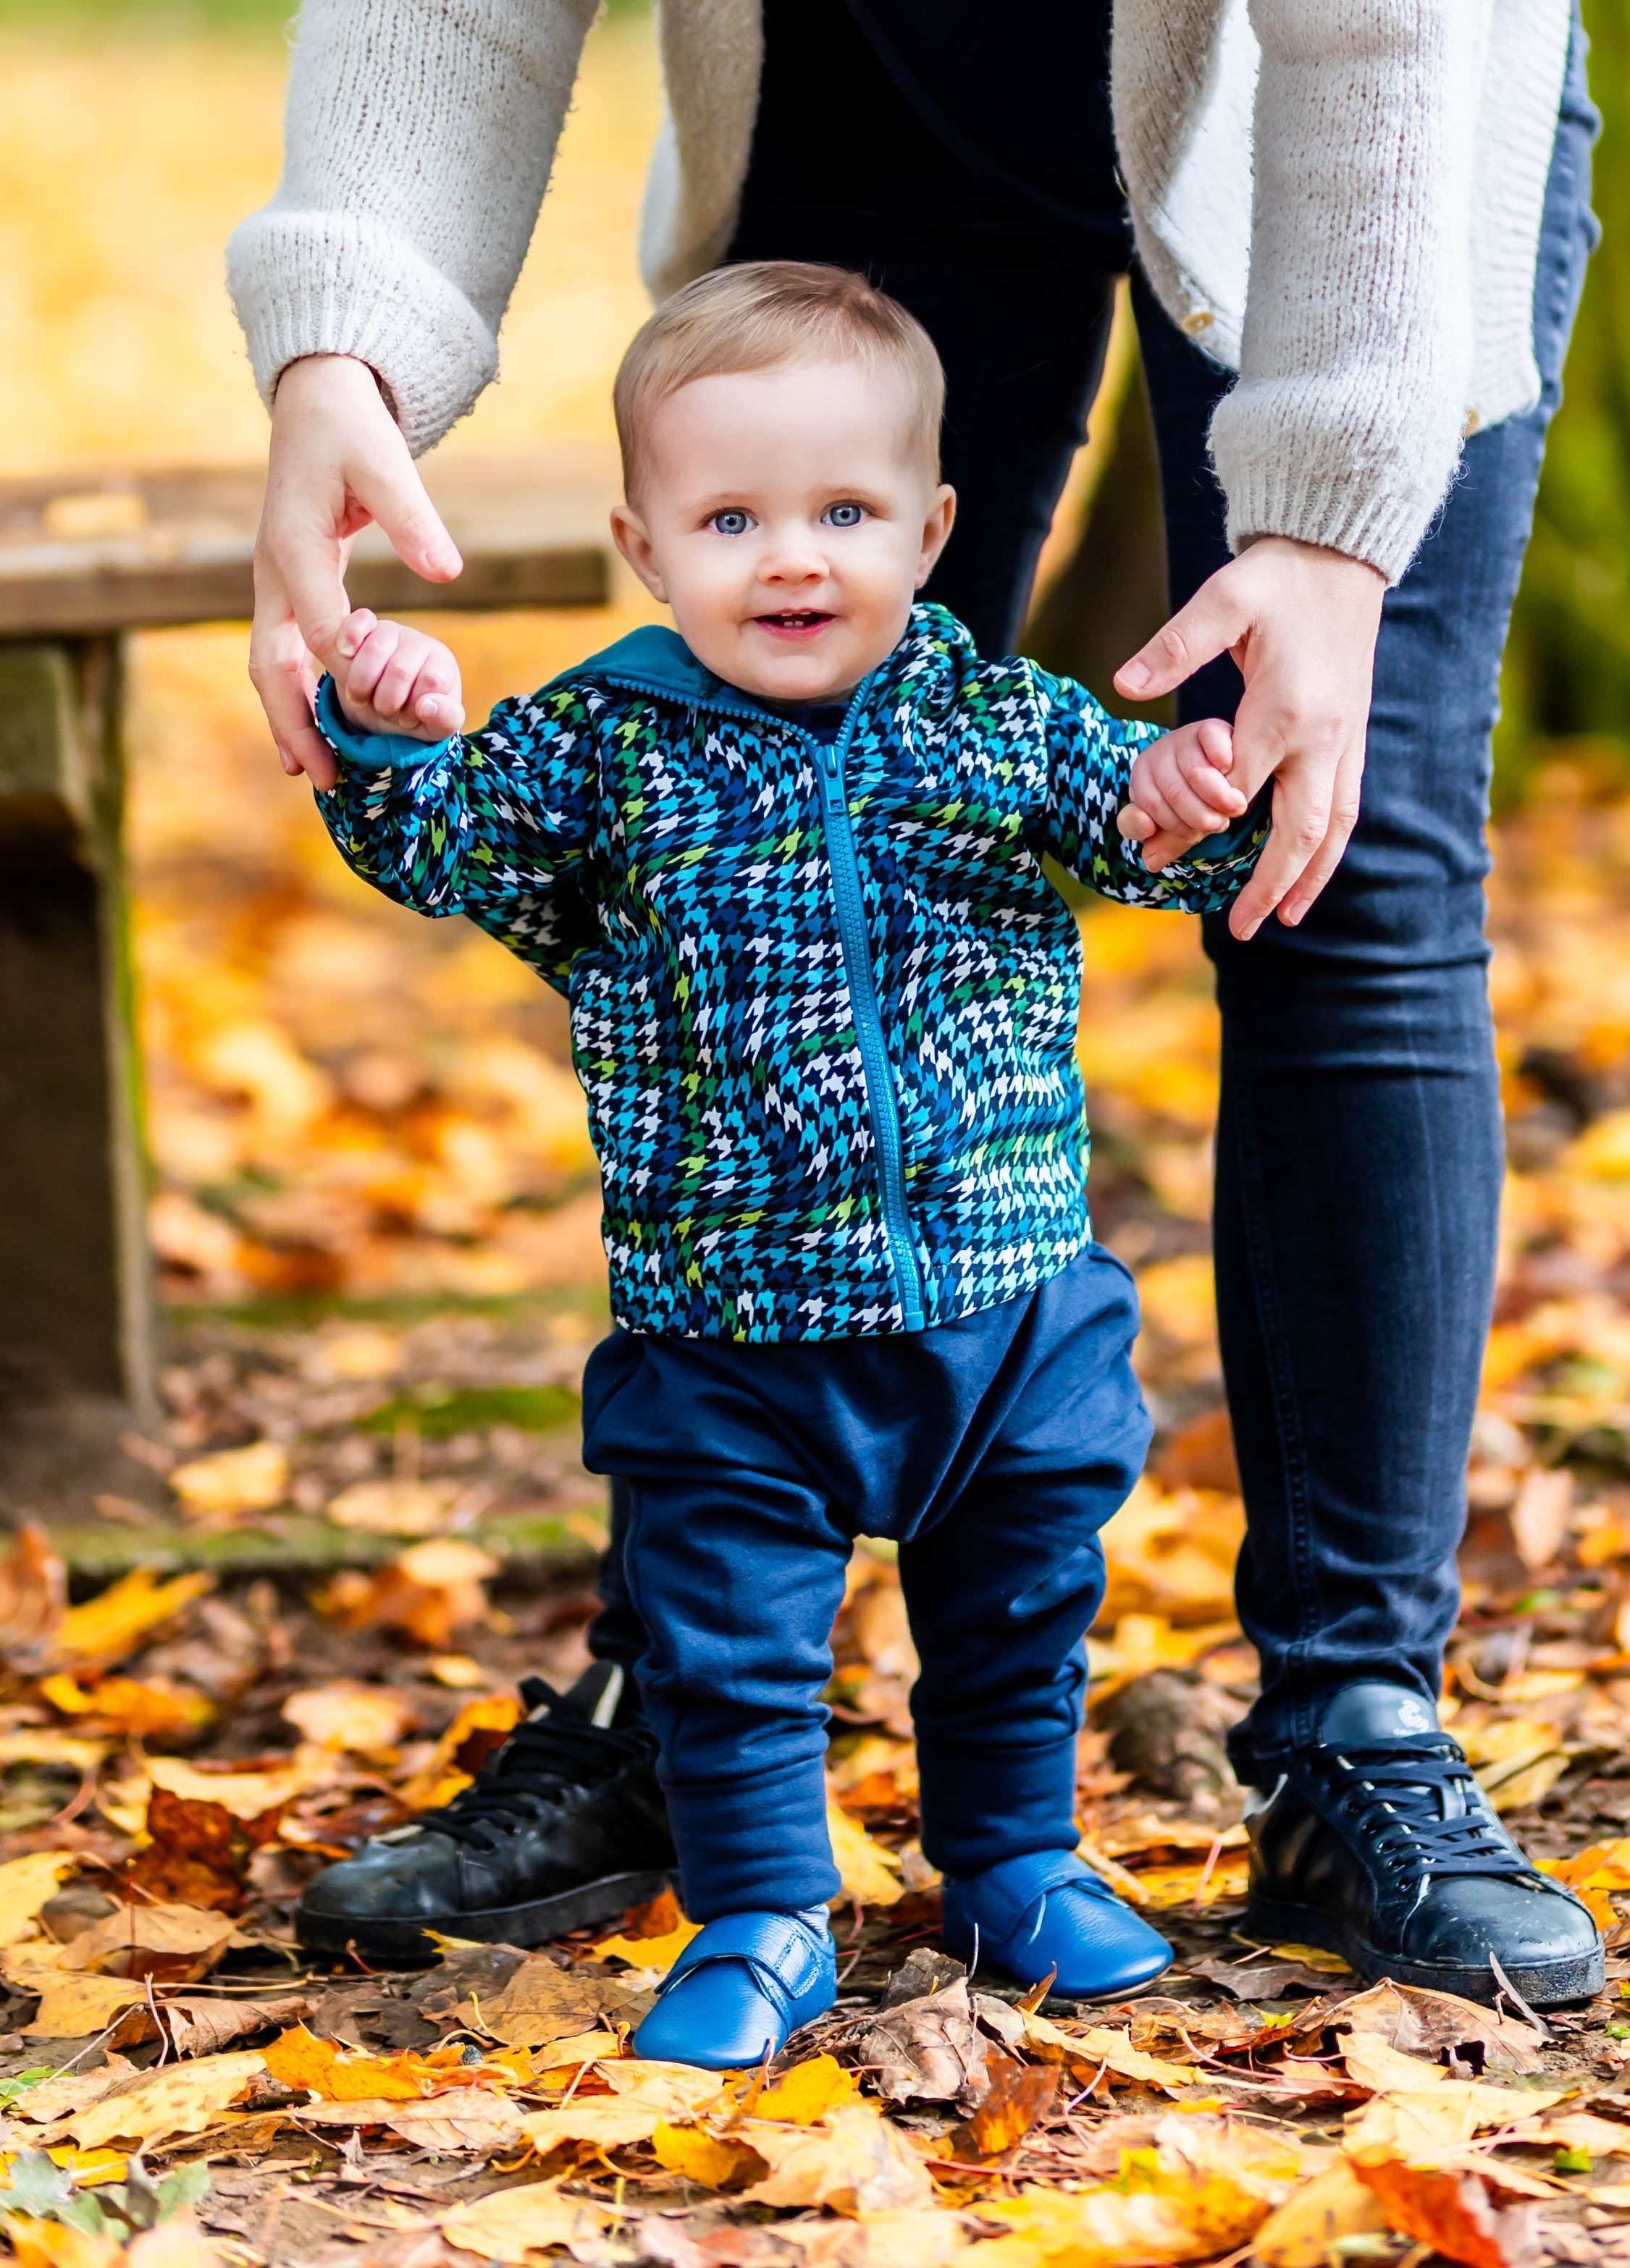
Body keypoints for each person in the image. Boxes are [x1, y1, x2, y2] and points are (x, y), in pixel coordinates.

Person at [229, 0, 1606, 2002]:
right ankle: (684, 1709)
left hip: (1354, 107)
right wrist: (345, 332)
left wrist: (1324, 515)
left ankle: (1350, 1728)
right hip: (881, 66)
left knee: (1341, 835)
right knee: (767, 740)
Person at [295, 261, 1282, 2063]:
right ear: (644, 545)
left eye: (844, 511)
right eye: (732, 517)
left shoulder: (992, 719)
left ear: (932, 525)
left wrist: (1183, 803)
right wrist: (389, 722)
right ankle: (759, 1910)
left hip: (1002, 1301)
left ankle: (1012, 1859)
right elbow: (445, 848)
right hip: (725, 1331)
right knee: (728, 1646)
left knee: (1015, 1607)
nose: (794, 559)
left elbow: (1134, 836)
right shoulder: (603, 746)